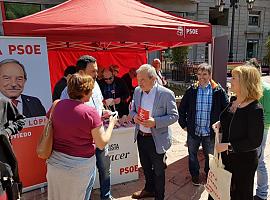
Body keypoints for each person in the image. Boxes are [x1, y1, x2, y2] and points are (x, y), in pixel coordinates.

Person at [47, 73, 117, 200]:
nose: (92, 92)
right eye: (91, 89)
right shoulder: (90, 112)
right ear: (85, 91)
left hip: (55, 163)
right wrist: (111, 123)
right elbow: (101, 143)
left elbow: (68, 123)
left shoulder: (56, 105)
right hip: (79, 167)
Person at [60, 55, 114, 200]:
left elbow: (99, 105)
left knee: (105, 170)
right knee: (86, 179)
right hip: (84, 143)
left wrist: (103, 112)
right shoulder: (67, 92)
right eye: (93, 71)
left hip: (99, 134)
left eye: (97, 71)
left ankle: (106, 196)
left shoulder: (95, 84)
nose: (97, 74)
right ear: (81, 72)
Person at [211, 65, 264, 200]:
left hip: (243, 163)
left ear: (245, 82)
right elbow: (231, 120)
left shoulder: (255, 109)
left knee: (238, 195)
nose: (230, 80)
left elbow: (254, 141)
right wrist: (221, 124)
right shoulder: (234, 100)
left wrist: (228, 146)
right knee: (220, 192)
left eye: (234, 78)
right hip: (226, 159)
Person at [130, 64, 179, 200]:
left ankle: (159, 196)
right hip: (141, 136)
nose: (139, 83)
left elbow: (174, 116)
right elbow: (132, 109)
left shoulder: (166, 94)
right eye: (138, 80)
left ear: (153, 78)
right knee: (145, 167)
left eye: (143, 80)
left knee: (158, 171)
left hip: (156, 139)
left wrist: (155, 122)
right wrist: (134, 116)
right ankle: (149, 189)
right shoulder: (137, 91)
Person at [178, 63, 229, 185]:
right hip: (193, 130)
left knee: (210, 156)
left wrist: (221, 125)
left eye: (205, 74)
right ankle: (195, 175)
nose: (202, 77)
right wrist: (183, 124)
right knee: (192, 155)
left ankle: (208, 174)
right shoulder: (192, 90)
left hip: (209, 132)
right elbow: (182, 108)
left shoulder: (218, 90)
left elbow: (227, 110)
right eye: (199, 74)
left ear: (210, 75)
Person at [246, 58, 270, 200]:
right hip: (250, 129)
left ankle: (262, 194)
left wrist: (256, 125)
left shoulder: (265, 89)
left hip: (261, 130)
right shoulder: (249, 87)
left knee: (259, 161)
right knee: (251, 160)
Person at [0, 97, 25, 199]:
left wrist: (7, 131)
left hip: (4, 161)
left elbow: (20, 120)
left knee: (9, 191)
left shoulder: (4, 102)